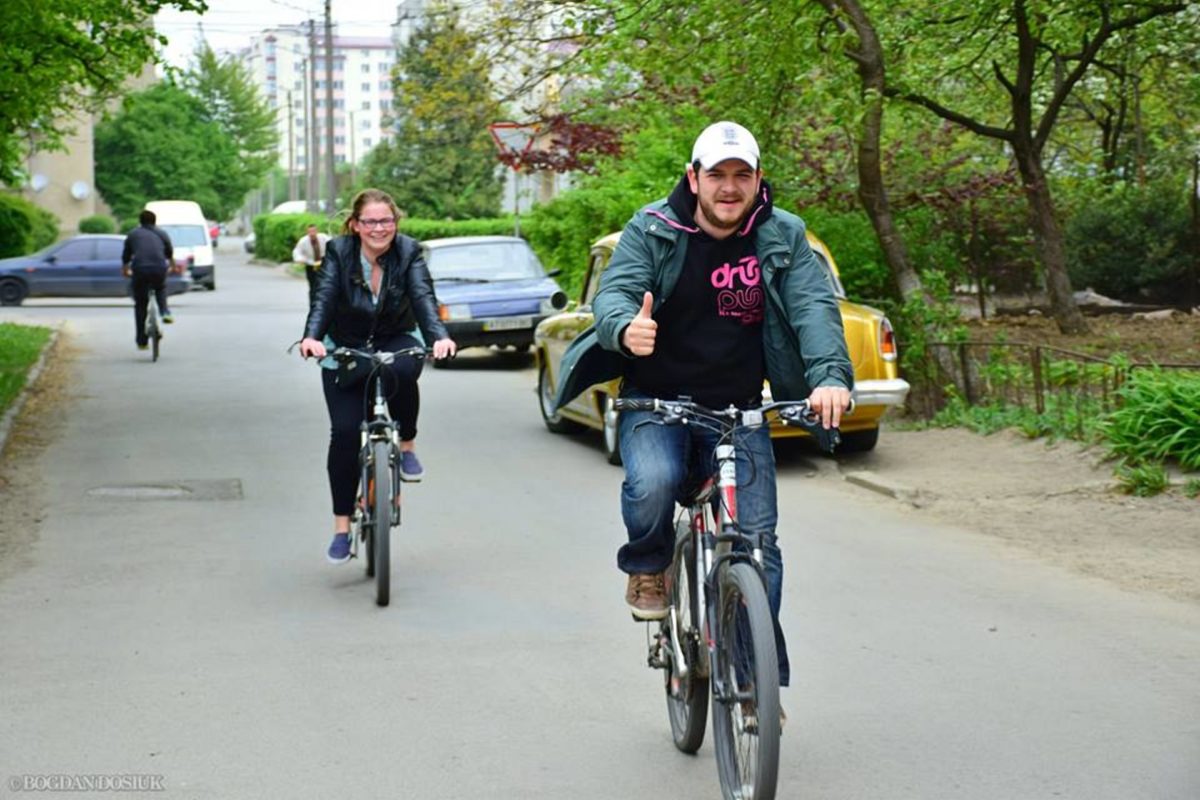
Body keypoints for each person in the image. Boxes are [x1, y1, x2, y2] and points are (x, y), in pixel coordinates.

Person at [552, 121, 853, 692]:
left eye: (742, 175)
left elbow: (814, 308)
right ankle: (649, 564)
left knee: (759, 548)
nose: (729, 187)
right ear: (694, 179)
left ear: (759, 180)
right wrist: (623, 328)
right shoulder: (653, 228)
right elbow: (615, 291)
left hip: (738, 410)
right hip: (654, 402)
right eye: (717, 174)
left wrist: (829, 378)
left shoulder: (783, 234)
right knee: (655, 479)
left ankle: (752, 686)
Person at [298, 188, 457, 564]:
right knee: (346, 433)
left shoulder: (408, 251)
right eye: (370, 221)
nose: (379, 228)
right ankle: (341, 528)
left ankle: (406, 446)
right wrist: (312, 337)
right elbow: (323, 297)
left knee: (403, 366)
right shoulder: (339, 251)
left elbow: (422, 297)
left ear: (395, 222)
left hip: (392, 336)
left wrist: (440, 338)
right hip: (347, 344)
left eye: (386, 220)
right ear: (355, 225)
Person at [122, 209, 179, 348]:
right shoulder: (162, 233)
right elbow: (169, 252)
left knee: (141, 304)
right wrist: (172, 267)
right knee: (160, 287)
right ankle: (165, 312)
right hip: (159, 268)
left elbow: (126, 256)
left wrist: (125, 269)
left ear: (140, 221)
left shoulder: (133, 234)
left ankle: (142, 342)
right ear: (155, 221)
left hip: (140, 269)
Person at [293, 223, 331, 305]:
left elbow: (332, 245)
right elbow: (297, 251)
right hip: (311, 265)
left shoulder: (324, 238)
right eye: (310, 232)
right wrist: (300, 259)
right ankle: (313, 304)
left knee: (324, 285)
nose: (312, 234)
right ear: (307, 232)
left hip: (323, 264)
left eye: (314, 231)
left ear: (317, 231)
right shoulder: (303, 241)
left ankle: (324, 303)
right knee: (313, 287)